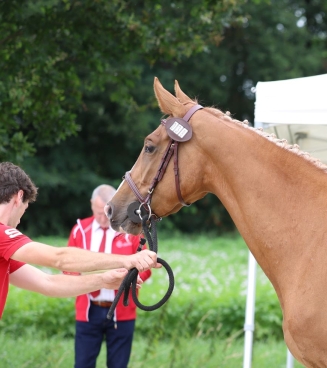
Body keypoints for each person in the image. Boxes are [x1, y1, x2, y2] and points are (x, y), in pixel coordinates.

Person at [0, 162, 158, 321]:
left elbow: (48, 283)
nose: (20, 220)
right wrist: (128, 260)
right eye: (25, 208)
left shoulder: (5, 251)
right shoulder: (2, 234)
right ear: (19, 196)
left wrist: (104, 280)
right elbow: (59, 258)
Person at [66, 184, 150, 368]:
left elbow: (146, 266)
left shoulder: (130, 230)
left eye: (107, 213)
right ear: (91, 205)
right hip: (88, 310)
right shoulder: (80, 230)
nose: (103, 219)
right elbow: (67, 265)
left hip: (122, 309)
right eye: (98, 214)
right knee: (82, 364)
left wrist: (135, 275)